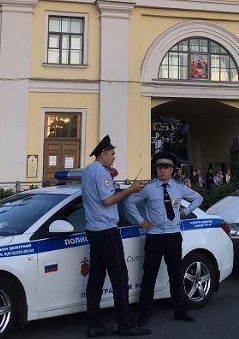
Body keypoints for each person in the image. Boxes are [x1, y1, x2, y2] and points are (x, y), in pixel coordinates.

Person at [81, 135, 150, 338]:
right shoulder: (100, 172)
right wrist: (131, 190)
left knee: (96, 278)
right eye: (112, 154)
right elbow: (108, 200)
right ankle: (125, 324)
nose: (114, 158)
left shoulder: (88, 171)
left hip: (94, 230)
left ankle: (94, 324)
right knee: (120, 276)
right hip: (106, 231)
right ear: (102, 154)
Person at [125, 151, 203, 327]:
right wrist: (141, 221)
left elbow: (198, 198)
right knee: (149, 276)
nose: (162, 171)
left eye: (166, 167)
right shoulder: (149, 188)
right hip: (154, 237)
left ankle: (180, 311)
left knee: (175, 275)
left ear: (172, 170)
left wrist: (185, 212)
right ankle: (144, 314)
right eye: (159, 167)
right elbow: (130, 203)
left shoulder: (179, 187)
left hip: (173, 236)